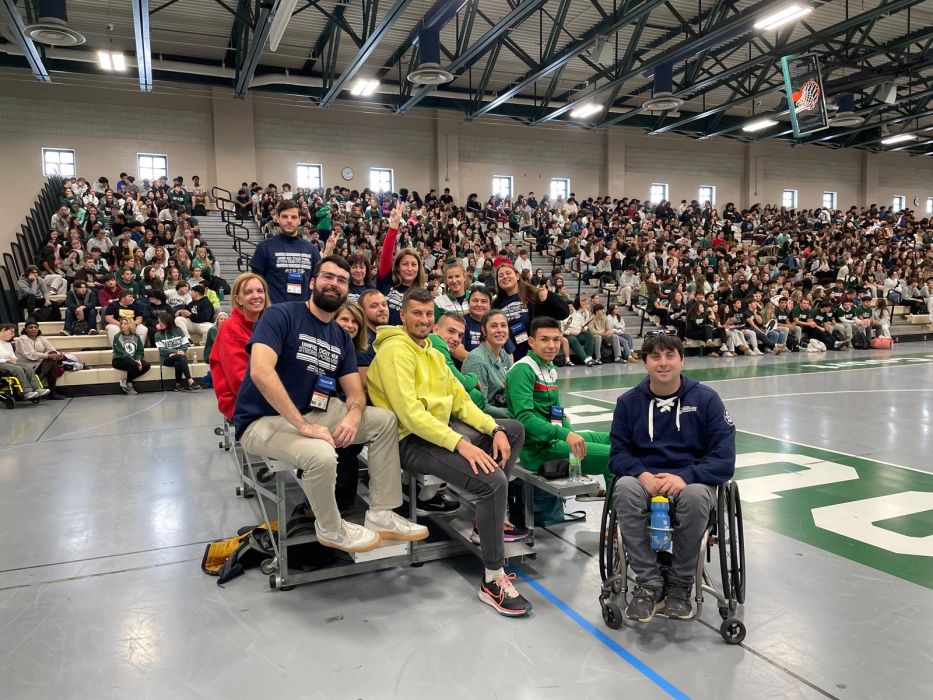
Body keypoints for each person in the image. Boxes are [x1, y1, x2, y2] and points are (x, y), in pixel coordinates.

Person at [234, 256, 427, 553]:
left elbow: (354, 392)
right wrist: (303, 425)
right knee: (322, 454)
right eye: (328, 276)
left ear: (347, 290)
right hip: (264, 421)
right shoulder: (280, 316)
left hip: (318, 412)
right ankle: (331, 527)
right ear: (312, 282)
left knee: (385, 420)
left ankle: (381, 514)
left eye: (341, 280)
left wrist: (353, 414)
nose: (334, 284)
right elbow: (260, 371)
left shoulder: (340, 335)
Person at [367, 288, 532, 617]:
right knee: (494, 482)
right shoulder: (394, 352)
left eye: (429, 314)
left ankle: (483, 521)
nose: (424, 320)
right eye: (417, 313)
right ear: (403, 315)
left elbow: (461, 401)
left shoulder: (433, 352)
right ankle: (493, 579)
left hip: (439, 434)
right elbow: (410, 414)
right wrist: (460, 443)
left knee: (513, 428)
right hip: (408, 440)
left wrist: (493, 429)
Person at [608, 332, 736, 622]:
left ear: (681, 360)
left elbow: (724, 458)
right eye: (655, 356)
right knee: (625, 487)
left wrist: (686, 477)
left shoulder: (707, 400)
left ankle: (680, 583)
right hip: (645, 482)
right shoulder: (628, 403)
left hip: (691, 483)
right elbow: (617, 455)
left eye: (669, 356)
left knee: (693, 496)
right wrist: (641, 474)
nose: (663, 363)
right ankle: (649, 582)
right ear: (645, 363)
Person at [506, 317, 612, 481]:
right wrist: (566, 435)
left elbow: (556, 411)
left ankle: (614, 505)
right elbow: (524, 419)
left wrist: (570, 433)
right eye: (544, 340)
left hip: (555, 441)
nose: (552, 345)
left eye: (556, 340)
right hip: (538, 451)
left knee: (615, 439)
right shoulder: (522, 370)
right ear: (532, 342)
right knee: (617, 455)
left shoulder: (549, 369)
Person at [210, 272, 269, 421]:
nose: (256, 296)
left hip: (265, 397)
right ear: (238, 299)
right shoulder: (230, 327)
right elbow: (239, 381)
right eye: (248, 292)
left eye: (260, 291)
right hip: (241, 404)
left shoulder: (267, 324)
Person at [249, 200, 321, 305]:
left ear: (300, 220)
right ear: (278, 218)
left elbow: (318, 282)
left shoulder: (311, 250)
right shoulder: (264, 247)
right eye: (285, 216)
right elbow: (256, 283)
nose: (289, 221)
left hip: (304, 314)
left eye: (293, 217)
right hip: (274, 313)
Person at [494, 263, 568, 360]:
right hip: (509, 356)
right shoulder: (496, 304)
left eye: (508, 273)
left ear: (517, 276)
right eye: (500, 276)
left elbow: (563, 313)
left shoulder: (533, 295)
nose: (505, 277)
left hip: (533, 355)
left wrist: (549, 297)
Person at [377, 203, 424, 325]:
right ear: (397, 267)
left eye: (414, 265)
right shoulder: (387, 281)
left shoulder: (420, 294)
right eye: (405, 264)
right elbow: (386, 254)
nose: (410, 269)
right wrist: (393, 226)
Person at [461, 310, 512, 419]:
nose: (500, 330)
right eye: (494, 326)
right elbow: (480, 406)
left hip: (505, 410)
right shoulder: (476, 360)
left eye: (503, 325)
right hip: (486, 419)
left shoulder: (503, 354)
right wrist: (514, 414)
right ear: (484, 330)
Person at [15, 319, 66, 400]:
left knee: (52, 359)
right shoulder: (22, 339)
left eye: (36, 327)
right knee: (51, 361)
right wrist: (48, 356)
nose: (34, 329)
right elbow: (30, 355)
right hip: (27, 366)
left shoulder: (42, 339)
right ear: (25, 330)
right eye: (30, 327)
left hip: (41, 365)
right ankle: (50, 390)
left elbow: (51, 350)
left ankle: (41, 379)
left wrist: (57, 355)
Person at [0, 323, 49, 400]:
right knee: (17, 369)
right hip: (1, 363)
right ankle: (26, 391)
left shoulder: (7, 343)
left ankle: (36, 388)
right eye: (11, 332)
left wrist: (13, 359)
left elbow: (12, 354)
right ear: (3, 330)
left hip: (9, 362)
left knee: (27, 367)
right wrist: (6, 360)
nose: (13, 335)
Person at [155, 313, 202, 392]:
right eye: (158, 321)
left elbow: (186, 344)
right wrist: (176, 351)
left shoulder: (178, 330)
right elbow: (162, 350)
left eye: (160, 321)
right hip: (166, 359)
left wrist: (177, 353)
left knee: (179, 361)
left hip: (178, 356)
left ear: (167, 321)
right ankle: (190, 381)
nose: (159, 324)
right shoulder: (158, 334)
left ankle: (178, 384)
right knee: (181, 358)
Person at [111, 318, 151, 395]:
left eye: (125, 323)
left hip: (132, 360)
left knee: (146, 365)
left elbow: (139, 351)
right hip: (119, 360)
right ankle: (129, 385)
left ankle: (126, 381)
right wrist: (133, 360)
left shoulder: (136, 337)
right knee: (134, 364)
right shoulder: (117, 337)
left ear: (130, 325)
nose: (123, 325)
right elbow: (120, 352)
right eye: (122, 324)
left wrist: (138, 359)